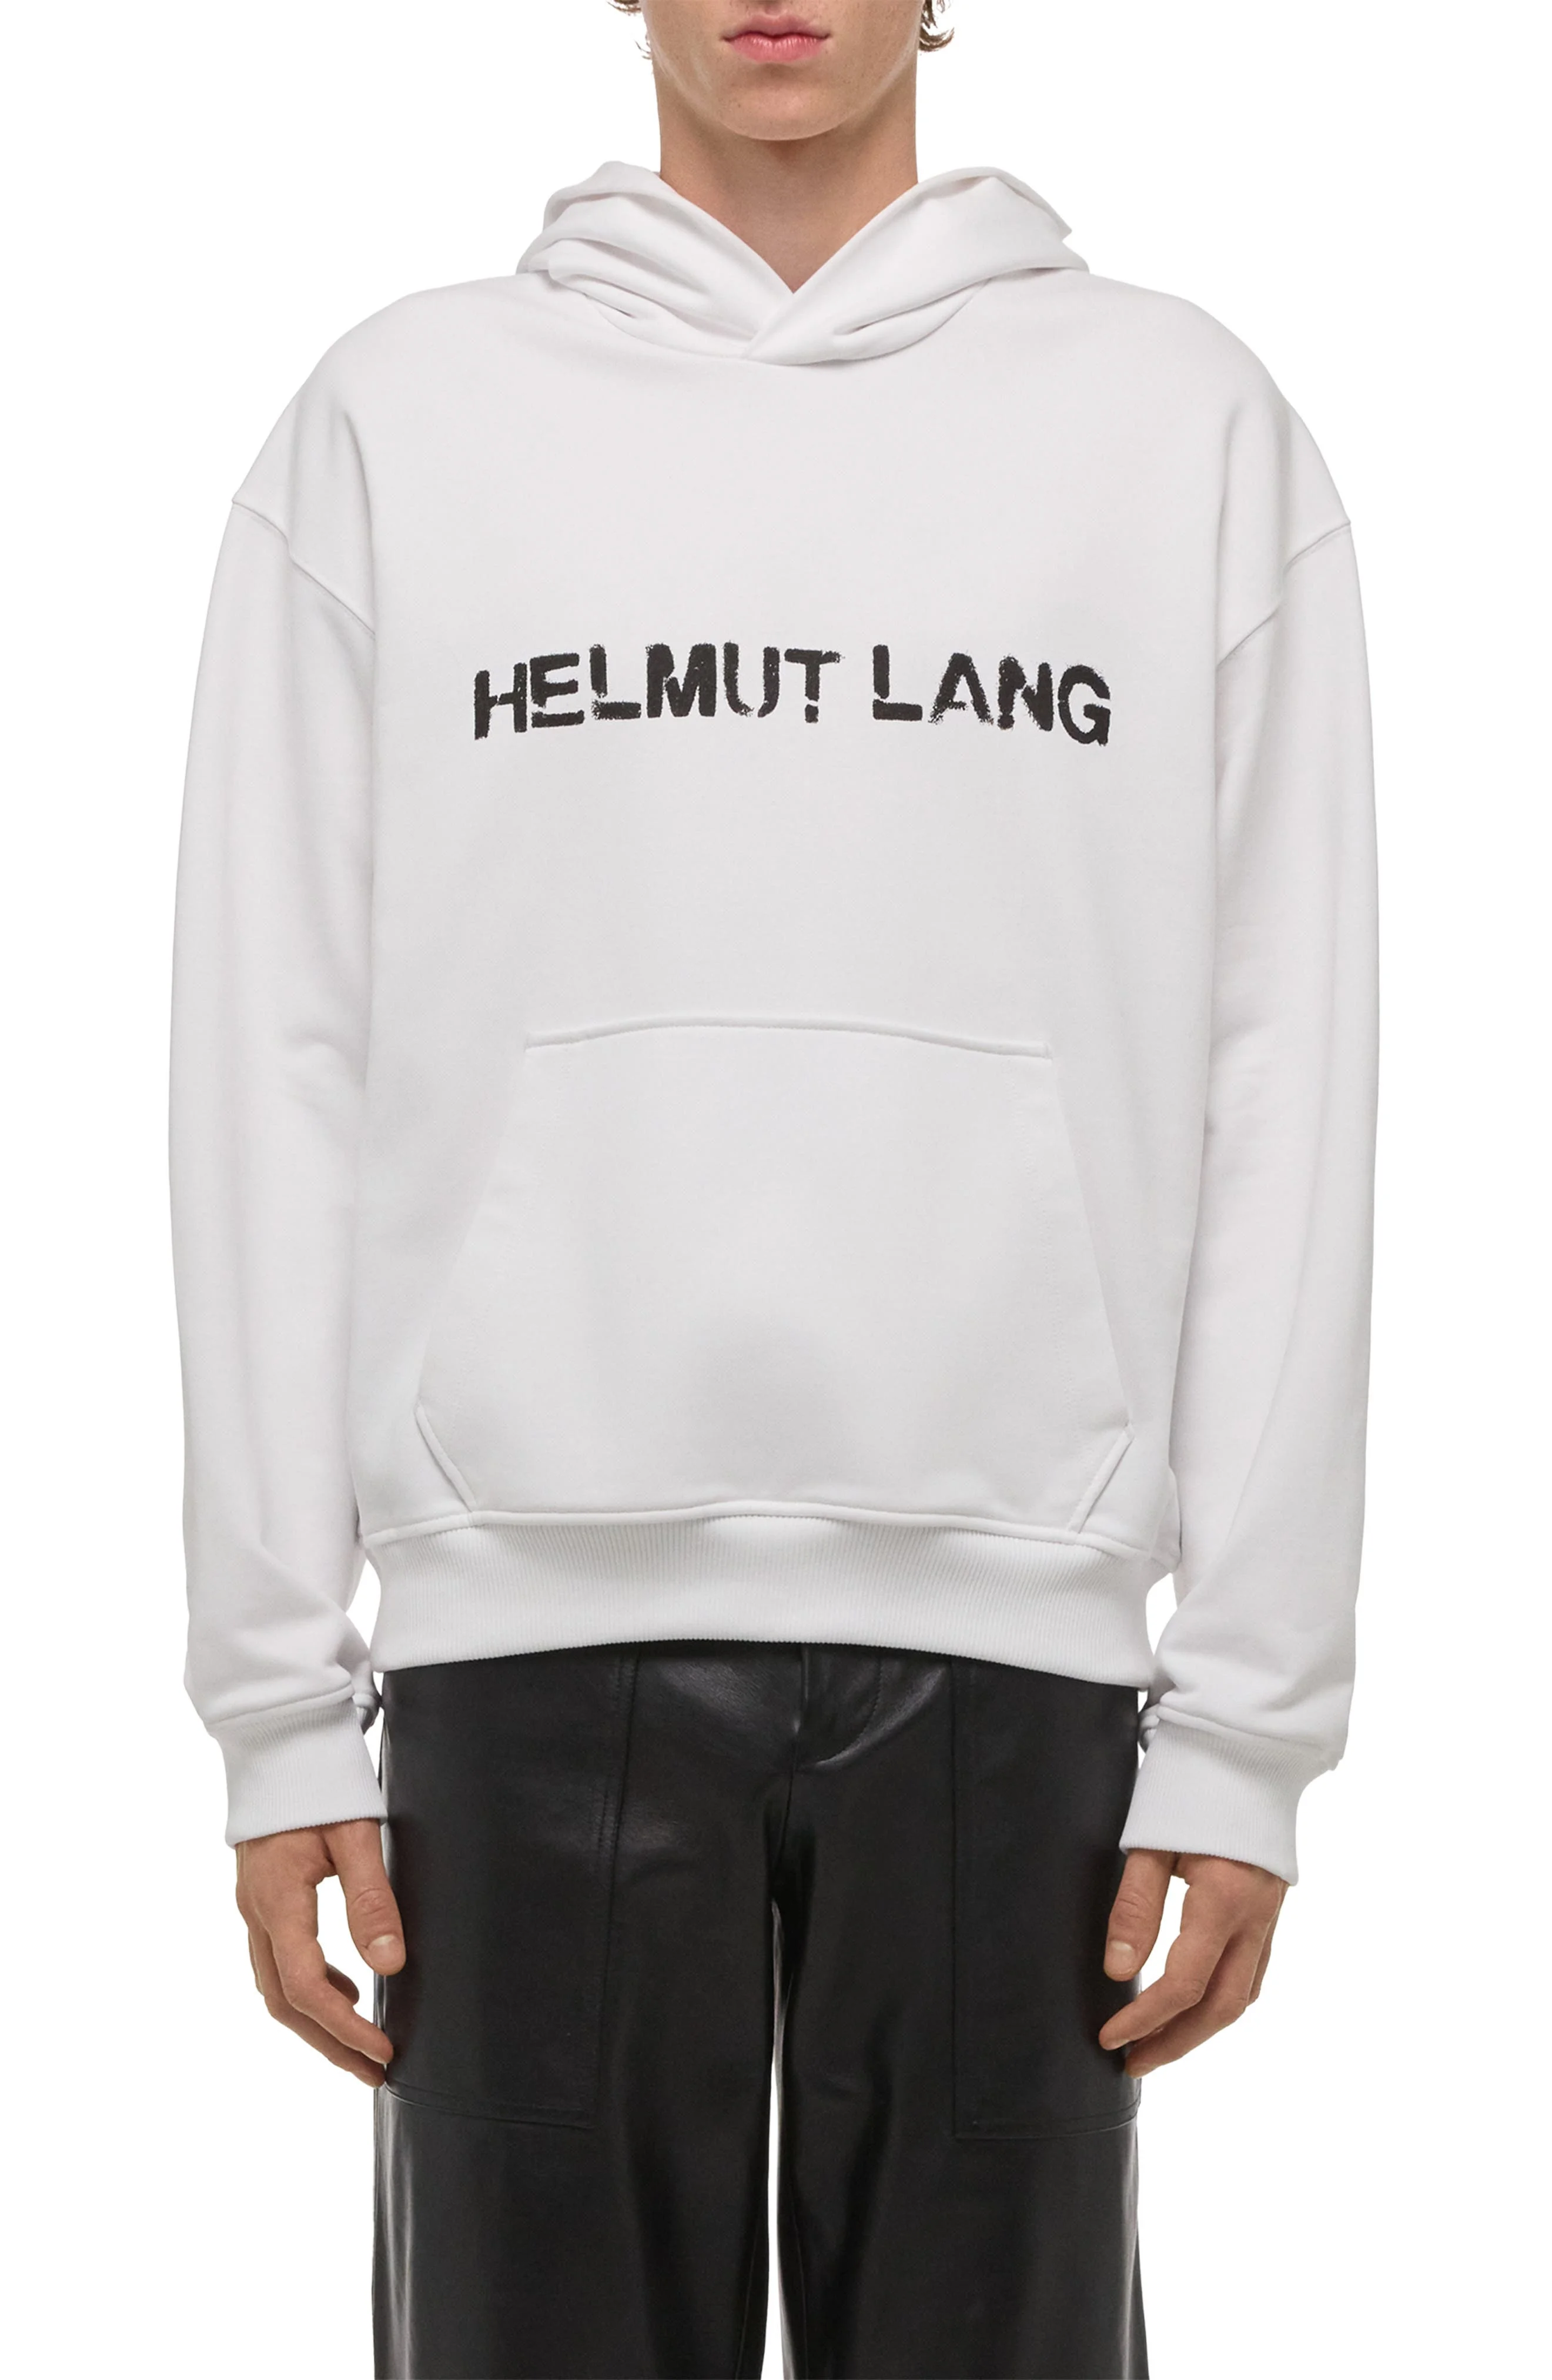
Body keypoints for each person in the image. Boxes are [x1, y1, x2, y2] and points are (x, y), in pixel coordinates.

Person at [170, 4, 1377, 2374]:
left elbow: (1290, 1071)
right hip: (518, 1641)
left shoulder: (1184, 430)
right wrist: (276, 1698)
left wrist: (1252, 1718)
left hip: (1024, 1652)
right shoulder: (401, 423)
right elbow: (271, 1057)